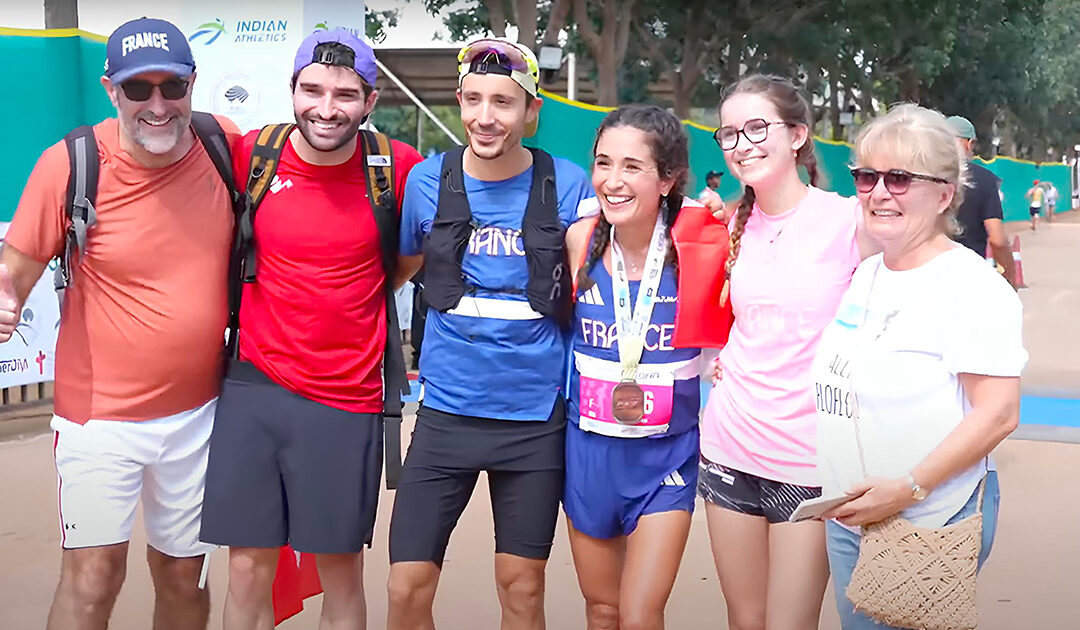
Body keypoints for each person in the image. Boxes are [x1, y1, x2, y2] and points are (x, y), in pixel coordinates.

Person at [0, 17, 239, 630]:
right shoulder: (72, 164)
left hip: (200, 414)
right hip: (98, 418)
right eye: (139, 90)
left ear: (193, 84)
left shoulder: (224, 147)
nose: (158, 105)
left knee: (185, 578)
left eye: (172, 87)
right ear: (112, 90)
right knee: (94, 579)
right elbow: (13, 273)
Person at [198, 29, 422, 630]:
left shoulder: (398, 167)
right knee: (246, 566)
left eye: (345, 94)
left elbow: (413, 255)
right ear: (291, 91)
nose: (327, 108)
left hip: (345, 395)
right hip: (254, 387)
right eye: (313, 90)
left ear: (370, 101)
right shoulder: (254, 155)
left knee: (340, 569)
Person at [386, 37, 595, 630]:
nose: (485, 117)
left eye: (504, 102)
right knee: (406, 587)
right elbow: (400, 272)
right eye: (473, 99)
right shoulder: (428, 182)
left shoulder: (571, 184)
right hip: (445, 417)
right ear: (458, 102)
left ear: (531, 111)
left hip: (534, 422)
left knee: (522, 588)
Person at [815, 103, 1025, 630]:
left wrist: (909, 487)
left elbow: (997, 414)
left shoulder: (971, 286)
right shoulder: (867, 275)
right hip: (852, 514)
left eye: (901, 178)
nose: (879, 192)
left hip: (924, 517)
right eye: (867, 176)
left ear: (944, 194)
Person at [698, 74, 876, 630]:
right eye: (728, 134)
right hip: (727, 449)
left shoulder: (849, 220)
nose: (741, 144)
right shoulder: (727, 225)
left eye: (757, 127)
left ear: (797, 134)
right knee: (744, 621)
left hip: (810, 464)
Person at [563, 105, 731, 630]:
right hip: (588, 453)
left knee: (639, 614)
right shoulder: (579, 240)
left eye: (632, 167)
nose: (613, 181)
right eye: (603, 163)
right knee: (602, 610)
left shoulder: (705, 246)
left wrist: (727, 219)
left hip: (667, 459)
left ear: (668, 178)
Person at [944, 116, 1016, 288]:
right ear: (969, 144)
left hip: (926, 276)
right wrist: (1009, 275)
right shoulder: (984, 180)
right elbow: (997, 240)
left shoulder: (919, 176)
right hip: (969, 277)